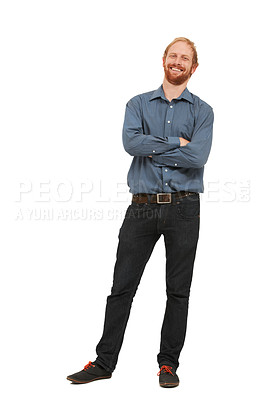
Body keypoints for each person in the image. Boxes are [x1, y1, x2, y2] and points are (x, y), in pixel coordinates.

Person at [67, 37, 214, 388]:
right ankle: (104, 363)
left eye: (185, 58)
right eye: (173, 55)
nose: (178, 61)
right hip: (142, 208)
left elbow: (198, 157)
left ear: (193, 68)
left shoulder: (203, 111)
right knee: (122, 287)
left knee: (178, 291)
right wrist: (178, 144)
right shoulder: (137, 104)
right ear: (164, 60)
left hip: (184, 209)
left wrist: (153, 148)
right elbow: (130, 144)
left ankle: (168, 365)